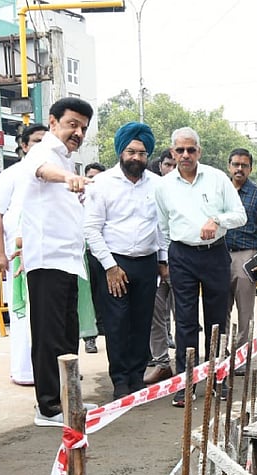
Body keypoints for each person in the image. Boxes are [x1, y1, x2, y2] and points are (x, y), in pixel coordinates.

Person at [12, 96, 95, 426]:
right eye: (72, 124)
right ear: (53, 122)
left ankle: (66, 398)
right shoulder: (43, 152)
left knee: (66, 335)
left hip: (68, 261)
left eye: (83, 128)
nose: (77, 132)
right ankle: (47, 407)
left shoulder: (67, 159)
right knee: (48, 336)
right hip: (47, 260)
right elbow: (41, 171)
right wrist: (66, 178)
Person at [155, 127, 247, 406]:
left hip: (215, 254)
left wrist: (217, 220)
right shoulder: (164, 186)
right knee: (184, 321)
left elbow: (239, 215)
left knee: (217, 318)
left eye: (190, 150)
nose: (185, 155)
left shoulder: (218, 179)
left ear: (199, 152)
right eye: (180, 150)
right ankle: (187, 382)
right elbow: (163, 226)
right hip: (182, 255)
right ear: (172, 152)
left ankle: (217, 377)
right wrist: (176, 251)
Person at [83, 122, 160, 399]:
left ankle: (137, 379)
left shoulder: (157, 185)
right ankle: (120, 381)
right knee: (117, 324)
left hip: (147, 263)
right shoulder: (101, 184)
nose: (136, 158)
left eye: (141, 153)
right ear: (121, 152)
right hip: (114, 263)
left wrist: (162, 261)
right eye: (131, 151)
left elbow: (161, 227)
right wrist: (111, 267)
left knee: (142, 322)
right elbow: (91, 228)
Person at [0, 123, 46, 386]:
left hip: (50, 256)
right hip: (18, 256)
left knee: (51, 317)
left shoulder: (54, 173)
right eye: (36, 141)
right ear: (24, 146)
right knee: (24, 316)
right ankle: (25, 371)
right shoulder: (11, 175)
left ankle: (51, 372)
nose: (42, 147)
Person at [225, 148, 257, 375]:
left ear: (250, 168)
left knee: (245, 312)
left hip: (246, 257)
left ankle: (240, 358)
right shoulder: (220, 192)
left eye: (244, 165)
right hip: (219, 256)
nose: (239, 169)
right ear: (229, 166)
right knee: (219, 310)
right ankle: (221, 357)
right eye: (235, 164)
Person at [144, 147, 178, 384]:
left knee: (184, 315)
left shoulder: (189, 191)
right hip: (155, 263)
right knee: (156, 315)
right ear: (160, 166)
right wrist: (161, 262)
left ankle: (190, 364)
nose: (172, 169)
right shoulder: (152, 190)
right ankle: (161, 362)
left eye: (175, 165)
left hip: (182, 262)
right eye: (168, 164)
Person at [80, 161, 106, 355]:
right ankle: (90, 339)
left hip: (103, 255)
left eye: (97, 178)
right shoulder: (77, 198)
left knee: (103, 295)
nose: (93, 181)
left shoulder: (105, 197)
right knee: (87, 298)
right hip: (83, 254)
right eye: (90, 177)